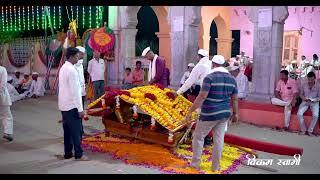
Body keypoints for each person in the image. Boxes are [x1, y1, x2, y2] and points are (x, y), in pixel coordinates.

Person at [184, 55, 239, 172]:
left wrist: (191, 110)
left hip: (209, 113)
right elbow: (234, 99)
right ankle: (215, 167)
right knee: (219, 140)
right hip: (224, 113)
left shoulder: (210, 77)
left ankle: (195, 165)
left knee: (198, 137)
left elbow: (202, 96)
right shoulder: (232, 79)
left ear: (213, 64)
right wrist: (235, 114)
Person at [58, 47, 88, 160]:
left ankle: (68, 153)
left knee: (67, 131)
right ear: (71, 57)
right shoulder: (71, 70)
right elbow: (75, 92)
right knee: (76, 131)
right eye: (76, 56)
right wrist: (80, 109)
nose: (78, 58)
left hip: (64, 105)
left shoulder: (63, 68)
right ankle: (79, 154)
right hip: (71, 105)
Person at [297, 72, 320, 137]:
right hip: (305, 101)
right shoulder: (304, 85)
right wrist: (304, 98)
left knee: (315, 115)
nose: (310, 81)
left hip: (314, 102)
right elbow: (301, 94)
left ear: (315, 79)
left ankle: (310, 131)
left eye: (311, 80)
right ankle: (303, 130)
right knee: (299, 114)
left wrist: (314, 100)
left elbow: (319, 97)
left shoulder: (318, 86)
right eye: (309, 79)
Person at [0, 65, 14, 141]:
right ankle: (7, 133)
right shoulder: (2, 69)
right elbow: (3, 84)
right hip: (2, 97)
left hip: (2, 96)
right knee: (6, 116)